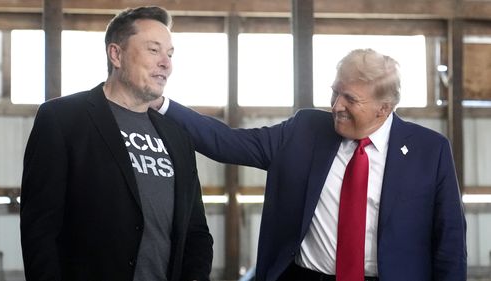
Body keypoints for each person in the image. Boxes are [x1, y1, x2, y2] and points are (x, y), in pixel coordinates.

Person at [152, 49, 467, 280]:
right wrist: (160, 104)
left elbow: (450, 240)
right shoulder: (305, 130)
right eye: (334, 92)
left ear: (384, 109)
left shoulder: (430, 151)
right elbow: (227, 142)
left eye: (350, 99)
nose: (335, 106)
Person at [20, 6, 213, 281]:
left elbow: (196, 232)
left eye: (170, 54)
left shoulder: (177, 135)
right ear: (116, 54)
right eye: (153, 49)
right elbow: (39, 230)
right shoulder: (62, 119)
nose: (166, 63)